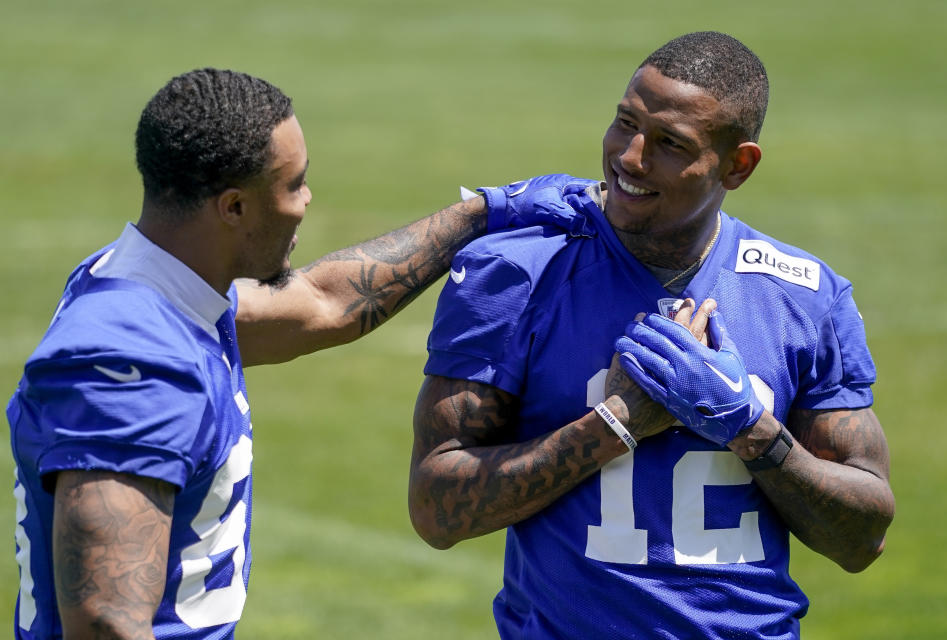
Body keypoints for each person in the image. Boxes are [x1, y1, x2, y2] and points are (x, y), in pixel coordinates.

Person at [6, 68, 581, 639]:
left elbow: (322, 304)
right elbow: (107, 625)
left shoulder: (149, 286)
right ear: (233, 207)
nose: (307, 201)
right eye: (293, 184)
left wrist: (484, 212)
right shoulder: (132, 370)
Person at [409, 31, 895, 639]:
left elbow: (862, 538)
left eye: (669, 144)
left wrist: (750, 430)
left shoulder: (804, 296)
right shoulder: (516, 274)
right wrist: (613, 426)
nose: (630, 158)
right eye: (624, 122)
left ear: (737, 165)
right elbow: (435, 509)